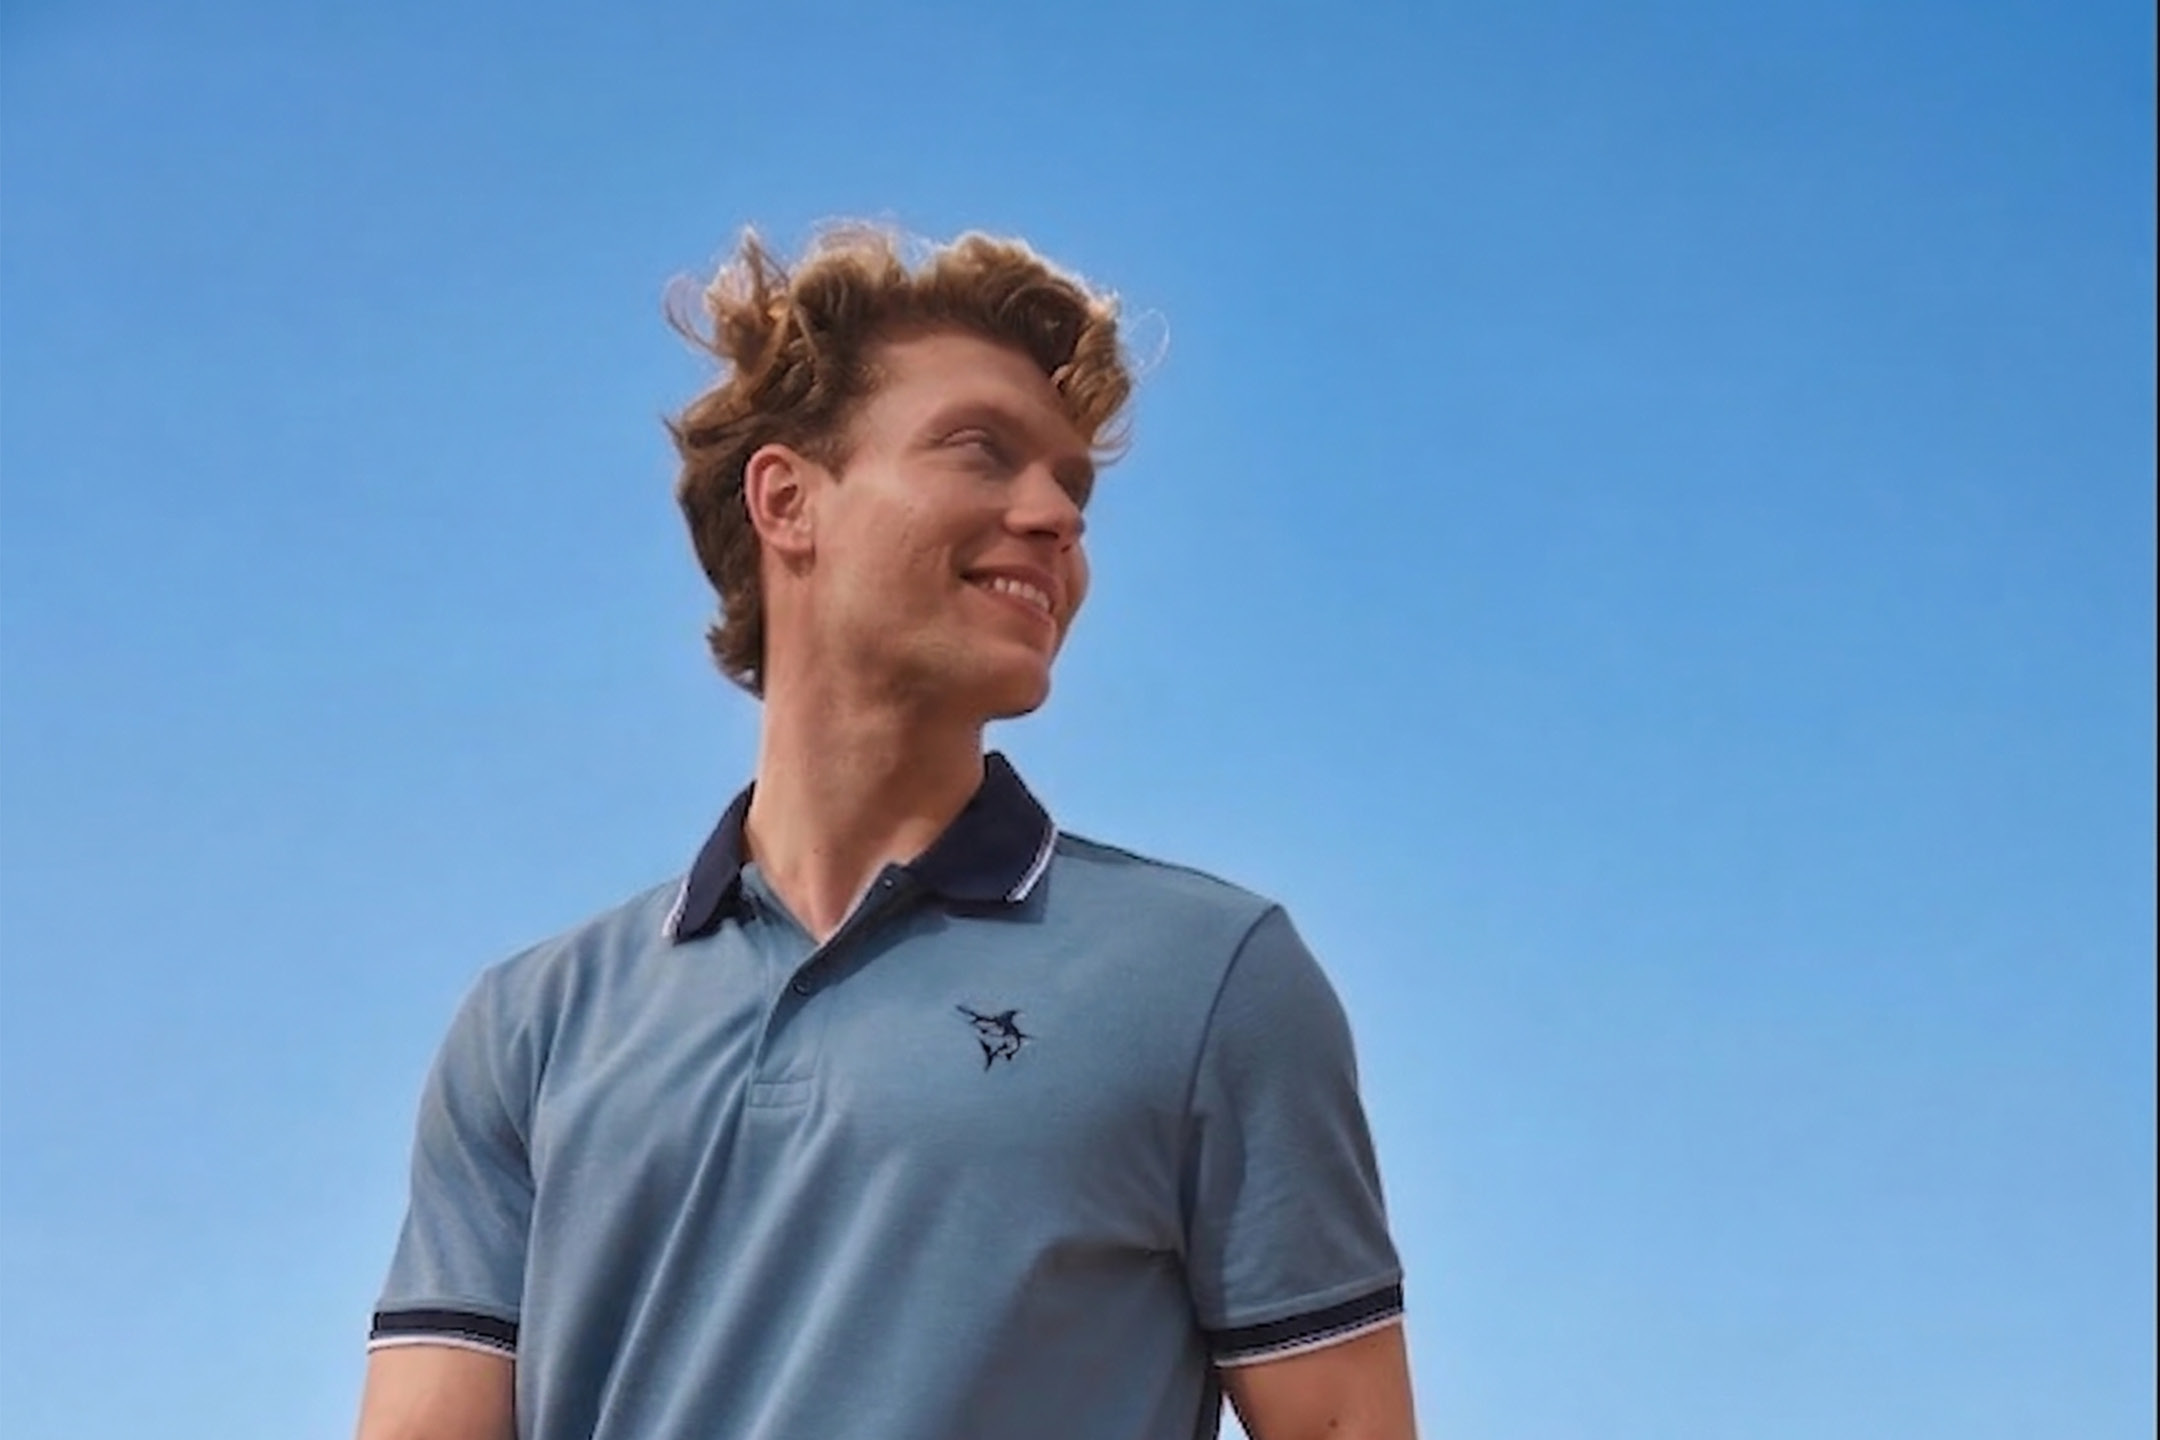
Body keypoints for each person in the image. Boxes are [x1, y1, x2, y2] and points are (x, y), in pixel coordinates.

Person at [354, 226, 1417, 1440]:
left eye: (1074, 487)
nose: (1054, 518)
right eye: (982, 452)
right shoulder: (530, 1027)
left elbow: (1343, 1425)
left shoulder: (1212, 980)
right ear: (788, 499)